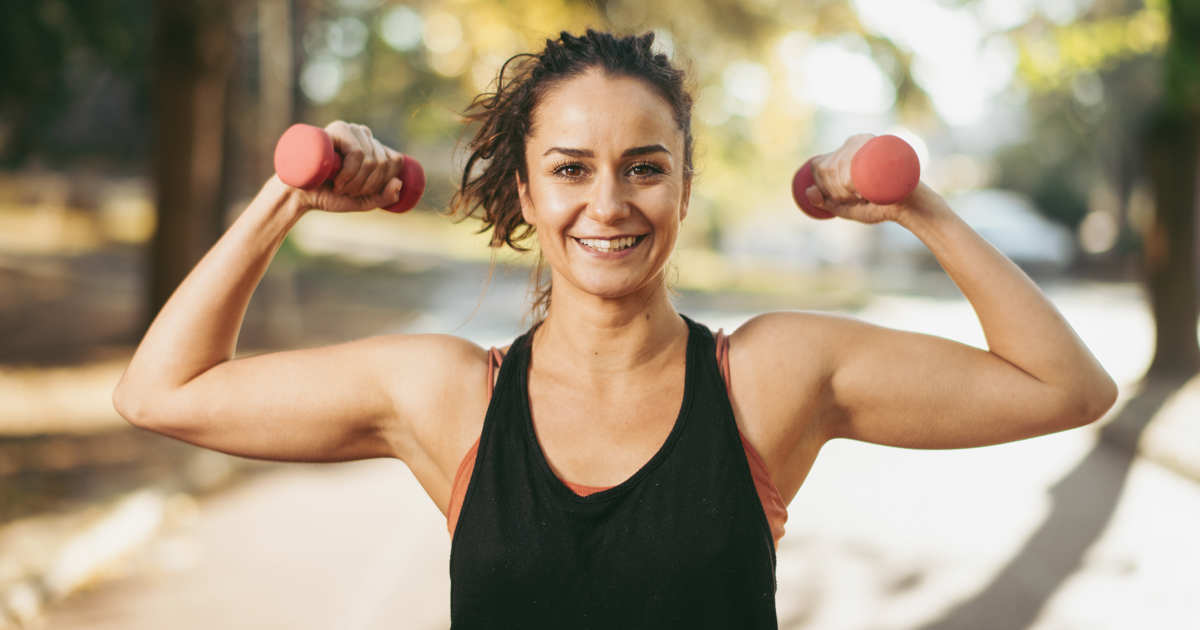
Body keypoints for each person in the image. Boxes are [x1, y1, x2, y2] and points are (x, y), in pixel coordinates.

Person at [113, 29, 1118, 628]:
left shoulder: (768, 378)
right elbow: (162, 391)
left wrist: (917, 207)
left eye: (645, 165)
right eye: (571, 167)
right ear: (526, 186)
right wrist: (286, 200)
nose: (610, 203)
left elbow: (1064, 387)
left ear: (683, 186)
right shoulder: (450, 396)